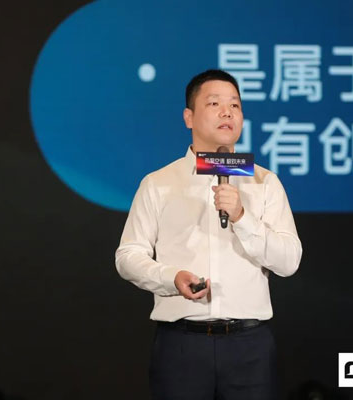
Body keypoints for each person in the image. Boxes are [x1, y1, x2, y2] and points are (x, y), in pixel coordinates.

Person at [115, 69, 302, 400]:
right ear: (189, 117)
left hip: (249, 347)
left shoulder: (264, 182)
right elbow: (128, 256)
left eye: (235, 105)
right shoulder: (159, 183)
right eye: (214, 103)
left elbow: (289, 261)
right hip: (182, 344)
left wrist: (242, 217)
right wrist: (171, 278)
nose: (227, 112)